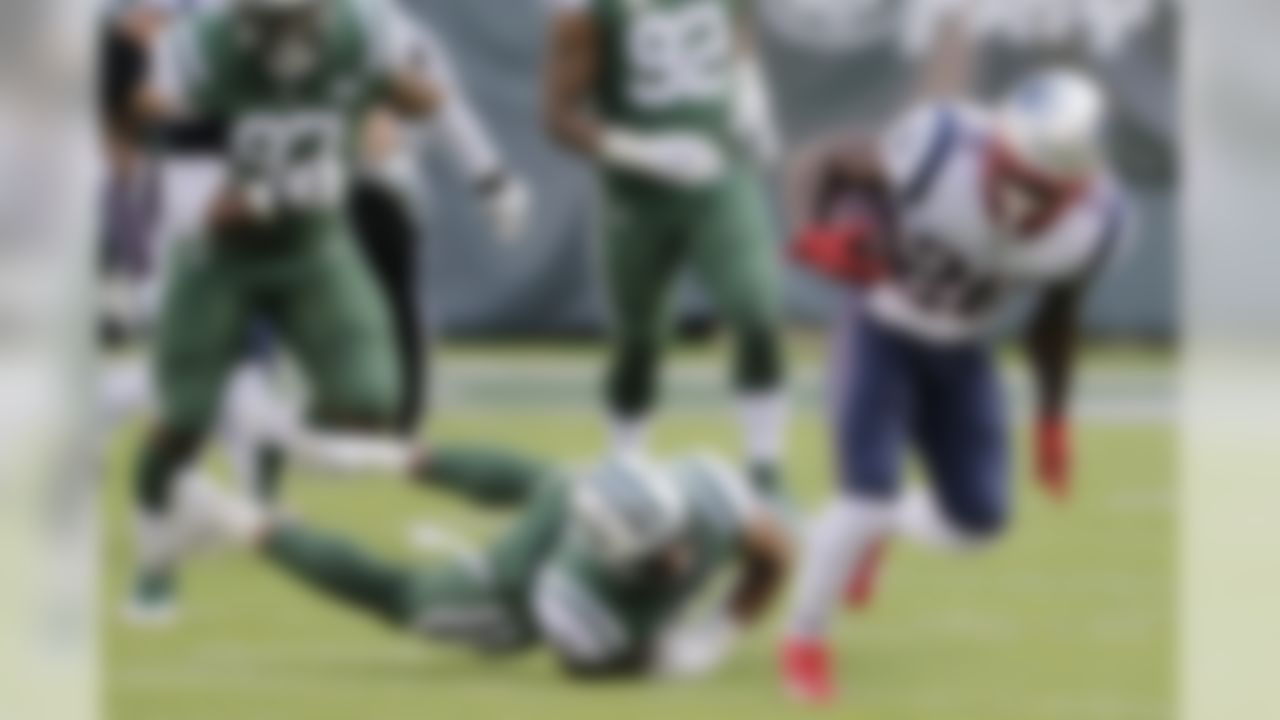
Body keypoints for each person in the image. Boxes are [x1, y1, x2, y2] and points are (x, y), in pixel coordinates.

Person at [120, 0, 505, 623]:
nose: (295, 31)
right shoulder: (193, 59)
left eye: (304, 15)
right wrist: (280, 191)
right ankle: (155, 561)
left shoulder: (363, 33)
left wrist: (491, 177)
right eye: (278, 19)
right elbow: (198, 214)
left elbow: (429, 97)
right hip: (214, 259)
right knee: (182, 422)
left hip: (314, 248)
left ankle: (268, 435)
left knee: (370, 402)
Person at [779, 67, 1131, 703]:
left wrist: (1054, 417)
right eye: (1015, 178)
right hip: (882, 322)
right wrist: (812, 231)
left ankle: (877, 533)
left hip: (963, 346)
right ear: (996, 146)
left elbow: (1055, 320)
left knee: (979, 521)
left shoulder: (1093, 228)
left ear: (1077, 190)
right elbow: (821, 159)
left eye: (1042, 191)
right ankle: (805, 639)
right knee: (863, 494)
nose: (1021, 201)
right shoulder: (938, 147)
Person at [159, 445, 792, 678]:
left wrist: (718, 638)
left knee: (553, 479)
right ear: (616, 561)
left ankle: (372, 456)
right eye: (662, 555)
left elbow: (775, 558)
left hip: (579, 500)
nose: (684, 556)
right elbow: (588, 662)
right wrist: (657, 658)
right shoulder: (572, 602)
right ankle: (232, 519)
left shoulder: (708, 493)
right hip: (516, 586)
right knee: (401, 596)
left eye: (679, 535)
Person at [543, 0, 789, 498]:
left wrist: (751, 100)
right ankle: (624, 469)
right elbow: (558, 117)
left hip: (719, 175)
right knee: (638, 344)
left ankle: (765, 470)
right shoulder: (586, 11)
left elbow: (739, 38)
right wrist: (644, 152)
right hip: (637, 195)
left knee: (757, 310)